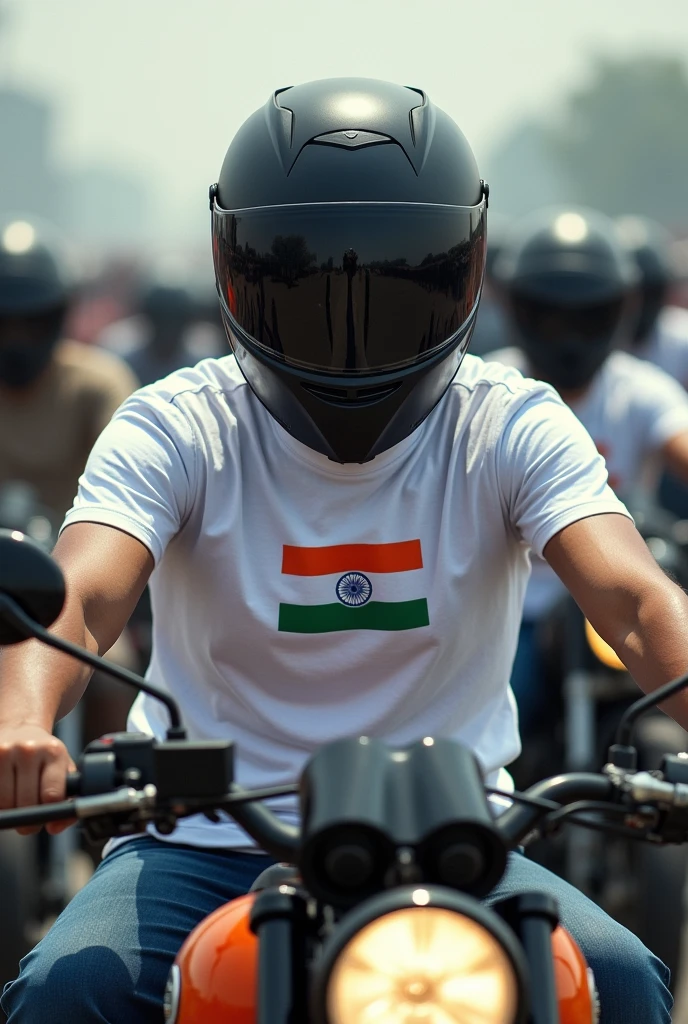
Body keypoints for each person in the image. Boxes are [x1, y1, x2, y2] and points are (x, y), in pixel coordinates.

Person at [0, 79, 684, 1023]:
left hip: (461, 839)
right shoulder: (176, 423)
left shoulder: (512, 423)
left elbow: (638, 600)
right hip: (199, 839)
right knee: (64, 990)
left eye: (401, 287)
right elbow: (80, 597)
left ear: (466, 271)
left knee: (620, 985)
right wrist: (21, 719)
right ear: (234, 270)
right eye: (306, 288)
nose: (354, 331)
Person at [486, 206, 688, 731]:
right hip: (520, 613)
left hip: (619, 603)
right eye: (552, 315)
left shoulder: (639, 389)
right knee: (503, 716)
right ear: (520, 309)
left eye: (586, 315)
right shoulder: (492, 395)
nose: (568, 334)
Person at [0, 216, 139, 521]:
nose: (16, 340)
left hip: (69, 560)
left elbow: (129, 474)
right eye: (4, 323)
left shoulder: (95, 385)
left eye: (32, 323)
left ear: (58, 317)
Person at [97, 275, 225, 387]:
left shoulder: (201, 366)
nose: (168, 330)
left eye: (175, 320)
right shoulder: (125, 365)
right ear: (148, 320)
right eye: (160, 319)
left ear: (187, 322)